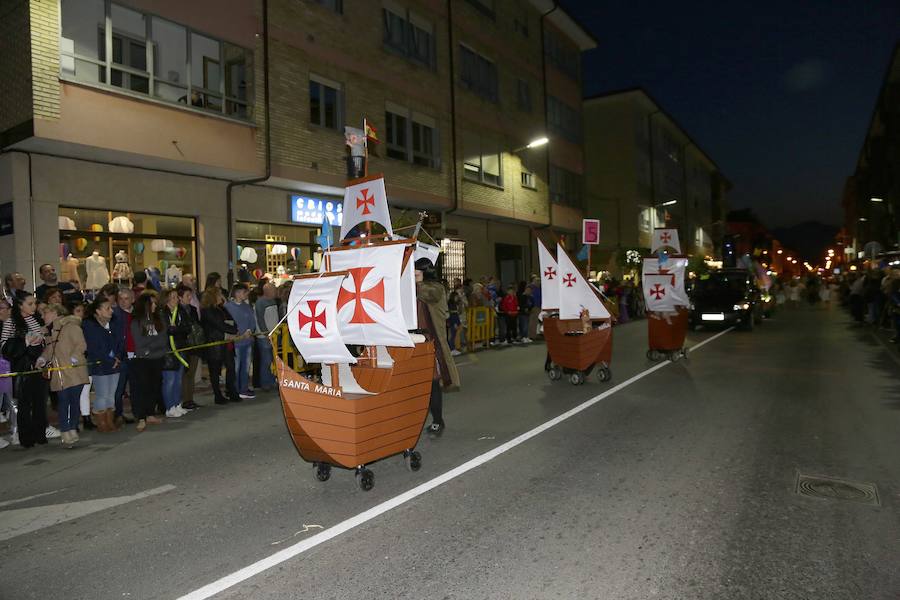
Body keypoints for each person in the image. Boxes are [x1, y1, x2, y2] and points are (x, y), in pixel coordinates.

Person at [1, 292, 51, 447]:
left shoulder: (36, 319)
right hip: (22, 367)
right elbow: (4, 347)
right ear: (19, 305)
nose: (34, 307)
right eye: (30, 304)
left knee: (40, 402)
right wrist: (26, 341)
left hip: (38, 365)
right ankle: (26, 438)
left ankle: (40, 434)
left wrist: (43, 357)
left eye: (34, 303)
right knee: (24, 404)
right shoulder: (11, 322)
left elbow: (46, 342)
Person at [40, 303, 89, 447]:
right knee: (63, 402)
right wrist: (43, 358)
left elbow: (81, 344)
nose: (42, 317)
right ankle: (65, 430)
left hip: (74, 372)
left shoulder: (71, 327)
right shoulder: (51, 331)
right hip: (60, 374)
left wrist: (74, 357)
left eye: (45, 313)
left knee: (73, 401)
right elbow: (51, 350)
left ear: (54, 312)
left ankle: (72, 428)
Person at [415, 258, 460, 392]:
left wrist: (415, 283)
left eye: (416, 272)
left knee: (441, 354)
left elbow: (427, 293)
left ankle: (448, 381)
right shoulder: (421, 286)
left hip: (434, 327)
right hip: (422, 328)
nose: (413, 274)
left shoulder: (436, 287)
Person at [82, 296, 123, 432]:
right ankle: (101, 421)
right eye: (107, 308)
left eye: (111, 308)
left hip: (115, 363)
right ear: (98, 311)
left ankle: (109, 420)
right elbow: (93, 347)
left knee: (111, 394)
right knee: (102, 394)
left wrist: (117, 356)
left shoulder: (113, 323)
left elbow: (119, 341)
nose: (111, 311)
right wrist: (110, 359)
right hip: (100, 364)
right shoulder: (89, 325)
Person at [129, 291, 166, 432]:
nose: (155, 305)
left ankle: (150, 414)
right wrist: (152, 346)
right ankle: (141, 417)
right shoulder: (137, 322)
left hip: (157, 358)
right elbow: (140, 343)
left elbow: (163, 338)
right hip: (143, 360)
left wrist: (151, 346)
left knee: (154, 387)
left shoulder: (159, 319)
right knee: (142, 388)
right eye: (153, 303)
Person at [201, 286, 240, 405]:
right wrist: (233, 330)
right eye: (219, 295)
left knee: (230, 367)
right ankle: (217, 395)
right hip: (215, 344)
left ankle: (231, 390)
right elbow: (219, 325)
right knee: (215, 371)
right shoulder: (207, 310)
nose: (221, 297)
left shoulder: (221, 308)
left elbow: (231, 320)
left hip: (226, 342)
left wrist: (234, 329)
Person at [160, 288, 191, 417]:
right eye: (172, 297)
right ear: (166, 299)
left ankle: (177, 404)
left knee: (178, 379)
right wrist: (176, 330)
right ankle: (169, 407)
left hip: (181, 347)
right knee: (170, 380)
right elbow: (167, 330)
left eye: (176, 297)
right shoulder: (162, 313)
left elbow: (187, 327)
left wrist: (176, 329)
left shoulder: (181, 311)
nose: (176, 300)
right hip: (168, 350)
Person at [225, 283, 256, 399]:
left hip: (247, 341)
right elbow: (229, 324)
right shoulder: (228, 307)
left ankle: (243, 388)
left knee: (246, 366)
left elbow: (252, 321)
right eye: (244, 292)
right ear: (237, 293)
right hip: (236, 342)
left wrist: (249, 330)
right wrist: (239, 334)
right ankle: (235, 389)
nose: (246, 294)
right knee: (236, 367)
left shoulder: (246, 306)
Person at [176, 284, 202, 410]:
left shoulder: (192, 309)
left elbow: (197, 324)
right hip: (183, 344)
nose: (190, 297)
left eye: (190, 295)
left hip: (194, 344)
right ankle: (183, 400)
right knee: (184, 374)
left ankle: (189, 398)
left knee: (191, 373)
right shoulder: (177, 310)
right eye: (187, 295)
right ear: (180, 297)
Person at [113, 288, 135, 424]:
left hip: (136, 355)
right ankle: (117, 414)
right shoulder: (114, 315)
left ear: (132, 299)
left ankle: (137, 411)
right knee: (119, 388)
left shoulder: (137, 314)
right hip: (121, 356)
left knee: (135, 387)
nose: (123, 301)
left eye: (126, 298)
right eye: (120, 299)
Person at [254, 283, 278, 391]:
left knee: (271, 360)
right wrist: (265, 333)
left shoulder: (273, 301)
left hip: (273, 335)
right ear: (267, 291)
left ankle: (271, 381)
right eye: (273, 290)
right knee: (266, 360)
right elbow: (260, 319)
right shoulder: (260, 303)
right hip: (264, 337)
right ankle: (265, 383)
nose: (275, 292)